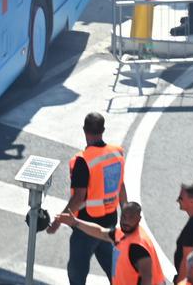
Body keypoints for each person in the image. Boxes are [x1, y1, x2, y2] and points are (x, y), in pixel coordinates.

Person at [46, 112, 127, 285]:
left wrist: (59, 220)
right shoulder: (117, 153)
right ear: (103, 130)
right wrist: (127, 214)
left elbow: (79, 198)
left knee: (77, 271)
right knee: (112, 267)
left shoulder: (83, 160)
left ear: (84, 130)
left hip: (87, 225)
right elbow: (120, 186)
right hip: (110, 220)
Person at [53, 202, 167, 285]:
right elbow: (101, 232)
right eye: (123, 217)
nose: (126, 221)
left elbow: (147, 278)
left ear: (139, 219)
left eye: (131, 217)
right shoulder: (122, 233)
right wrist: (76, 222)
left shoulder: (137, 246)